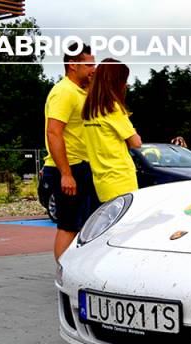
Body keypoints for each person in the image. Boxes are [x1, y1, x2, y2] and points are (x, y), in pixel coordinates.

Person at [43, 43, 96, 262]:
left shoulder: (81, 91)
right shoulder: (64, 92)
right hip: (68, 168)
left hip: (83, 167)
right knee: (68, 226)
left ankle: (79, 270)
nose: (94, 69)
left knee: (86, 225)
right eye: (89, 65)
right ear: (73, 65)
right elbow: (53, 132)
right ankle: (63, 273)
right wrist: (66, 173)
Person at [81, 59, 142, 203]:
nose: (126, 85)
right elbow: (136, 142)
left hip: (102, 182)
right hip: (121, 179)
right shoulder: (112, 109)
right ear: (116, 82)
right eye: (124, 80)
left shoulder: (89, 111)